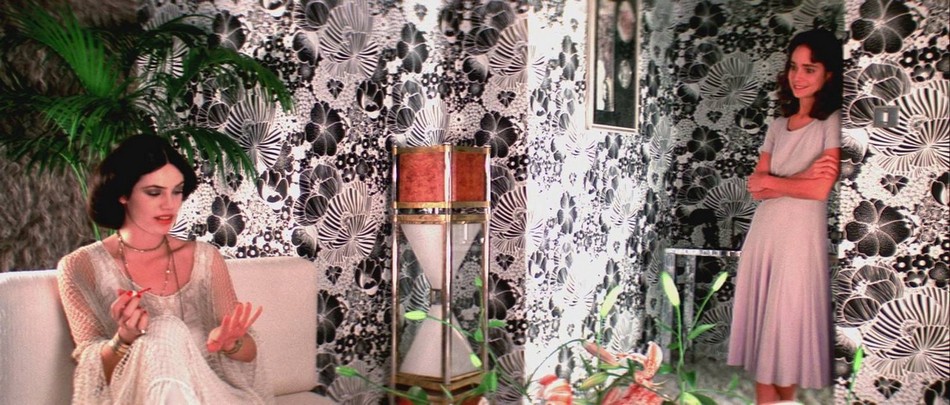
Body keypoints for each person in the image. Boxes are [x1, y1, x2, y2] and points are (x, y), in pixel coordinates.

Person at [57, 135, 273, 404]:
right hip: (134, 398)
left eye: (177, 191)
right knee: (163, 328)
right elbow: (93, 375)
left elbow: (248, 351)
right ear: (123, 194)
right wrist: (125, 338)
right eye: (154, 192)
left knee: (165, 327)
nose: (169, 204)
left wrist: (231, 344)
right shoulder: (80, 266)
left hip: (211, 395)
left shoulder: (205, 259)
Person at [727, 29, 842, 404]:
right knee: (765, 337)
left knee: (785, 339)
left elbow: (818, 191)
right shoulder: (778, 125)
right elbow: (755, 188)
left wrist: (775, 182)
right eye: (794, 67)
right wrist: (800, 177)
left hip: (799, 241)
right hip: (764, 236)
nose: (798, 76)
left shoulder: (833, 122)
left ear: (828, 74)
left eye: (809, 68)